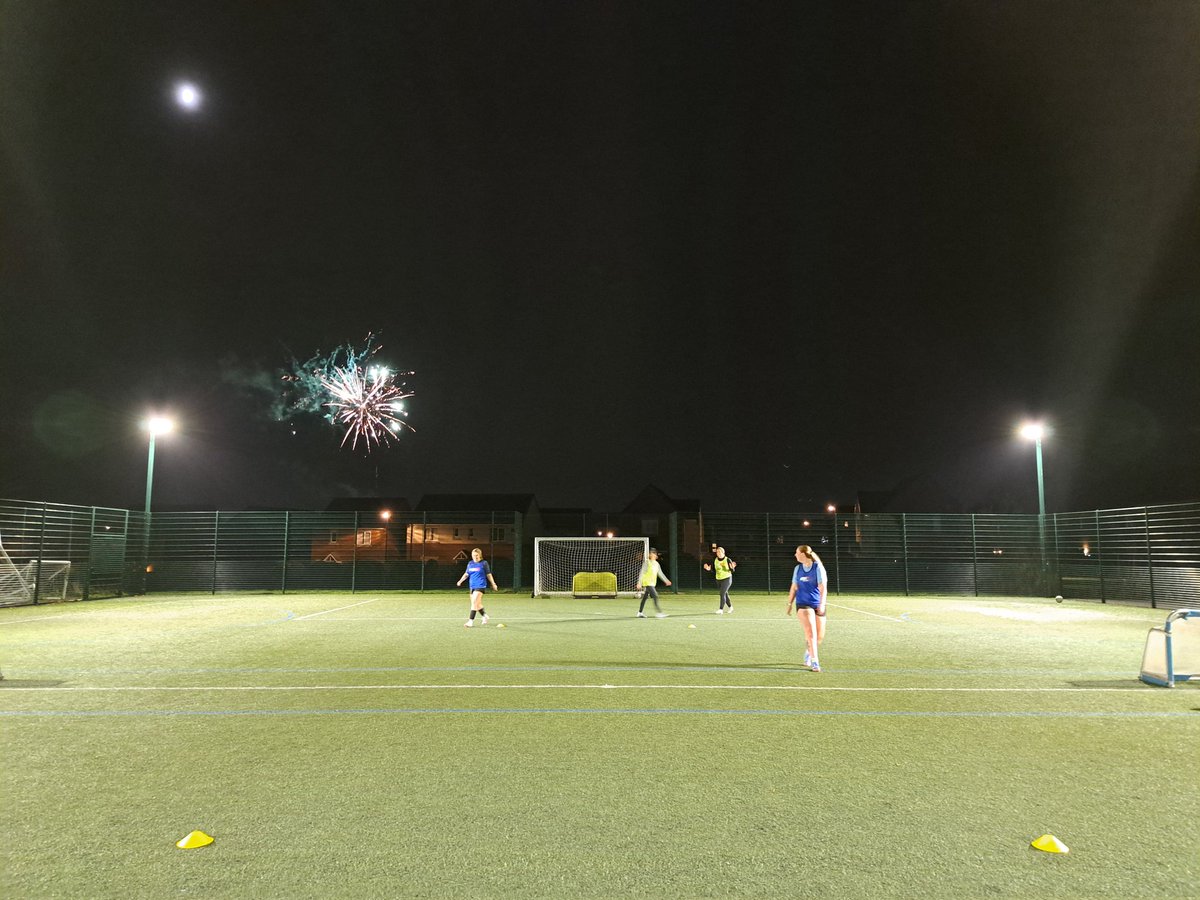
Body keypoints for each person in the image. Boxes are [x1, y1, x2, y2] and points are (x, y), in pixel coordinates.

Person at [786, 544, 828, 671]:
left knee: (819, 637)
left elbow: (823, 588)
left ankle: (809, 652)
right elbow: (794, 587)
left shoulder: (818, 568)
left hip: (817, 603)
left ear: (803, 554)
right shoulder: (797, 569)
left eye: (796, 552)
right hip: (803, 604)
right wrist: (789, 604)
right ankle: (815, 661)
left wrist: (821, 604)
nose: (795, 555)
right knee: (811, 633)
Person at [457, 547, 499, 627]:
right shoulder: (470, 563)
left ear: (480, 555)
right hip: (472, 586)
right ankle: (484, 616)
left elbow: (488, 574)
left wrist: (493, 584)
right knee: (477, 604)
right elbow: (466, 574)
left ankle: (470, 621)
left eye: (476, 555)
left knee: (474, 602)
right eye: (473, 555)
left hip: (480, 585)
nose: (475, 557)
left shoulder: (484, 563)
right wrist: (460, 581)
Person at [637, 548, 672, 618]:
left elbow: (660, 573)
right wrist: (639, 582)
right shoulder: (647, 562)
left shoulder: (657, 564)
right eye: (651, 553)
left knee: (645, 598)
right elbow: (642, 573)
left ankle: (640, 612)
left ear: (656, 555)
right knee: (655, 596)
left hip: (652, 583)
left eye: (654, 553)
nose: (652, 555)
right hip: (647, 583)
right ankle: (659, 613)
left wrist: (666, 580)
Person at [703, 546, 737, 614]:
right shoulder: (715, 560)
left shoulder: (727, 560)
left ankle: (721, 609)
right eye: (717, 552)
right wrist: (709, 569)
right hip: (718, 579)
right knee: (725, 594)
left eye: (719, 552)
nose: (718, 553)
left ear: (723, 552)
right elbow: (714, 570)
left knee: (722, 593)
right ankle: (730, 607)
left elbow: (732, 570)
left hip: (727, 578)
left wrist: (732, 568)